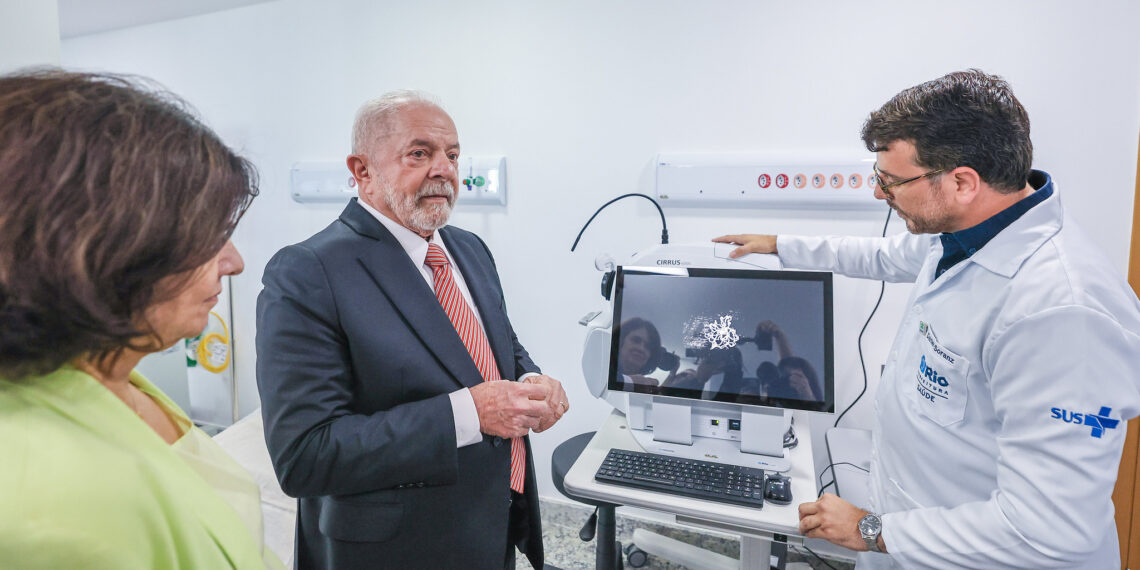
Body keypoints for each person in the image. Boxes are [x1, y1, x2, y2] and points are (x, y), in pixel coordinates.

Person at [715, 69, 1140, 568]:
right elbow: (883, 258)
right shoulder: (970, 235)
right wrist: (780, 246)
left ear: (962, 182)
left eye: (890, 181)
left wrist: (870, 530)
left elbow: (1047, 528)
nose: (879, 193)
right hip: (917, 532)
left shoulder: (1062, 312)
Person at [256, 90, 568, 569]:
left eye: (453, 155)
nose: (444, 168)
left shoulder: (468, 249)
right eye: (419, 154)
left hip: (490, 524)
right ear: (362, 171)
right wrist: (471, 413)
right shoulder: (309, 272)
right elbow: (306, 455)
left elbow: (496, 344)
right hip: (394, 548)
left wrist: (530, 383)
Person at [0, 71, 282, 569]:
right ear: (103, 246)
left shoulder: (110, 374)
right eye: (208, 233)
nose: (234, 261)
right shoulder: (47, 508)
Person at [616, 317, 678, 392]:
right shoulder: (603, 367)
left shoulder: (644, 390)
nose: (641, 348)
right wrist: (629, 381)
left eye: (648, 347)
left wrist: (672, 374)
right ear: (621, 341)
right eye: (636, 340)